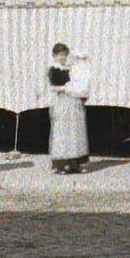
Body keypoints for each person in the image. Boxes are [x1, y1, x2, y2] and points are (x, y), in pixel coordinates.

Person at [46, 42, 90, 173]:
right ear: (54, 56)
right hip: (62, 102)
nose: (62, 57)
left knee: (74, 132)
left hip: (72, 102)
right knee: (62, 133)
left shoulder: (69, 69)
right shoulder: (53, 69)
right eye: (59, 55)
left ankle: (74, 163)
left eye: (64, 55)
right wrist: (66, 88)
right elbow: (53, 87)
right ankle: (60, 165)